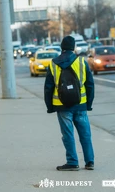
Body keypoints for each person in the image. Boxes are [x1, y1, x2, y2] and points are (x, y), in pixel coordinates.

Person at [44, 35, 95, 171]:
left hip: (62, 106)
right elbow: (90, 85)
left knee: (68, 134)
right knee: (85, 134)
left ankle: (72, 162)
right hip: (81, 104)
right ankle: (89, 162)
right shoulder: (82, 62)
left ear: (62, 47)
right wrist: (88, 104)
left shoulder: (53, 63)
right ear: (73, 48)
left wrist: (50, 107)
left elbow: (48, 87)